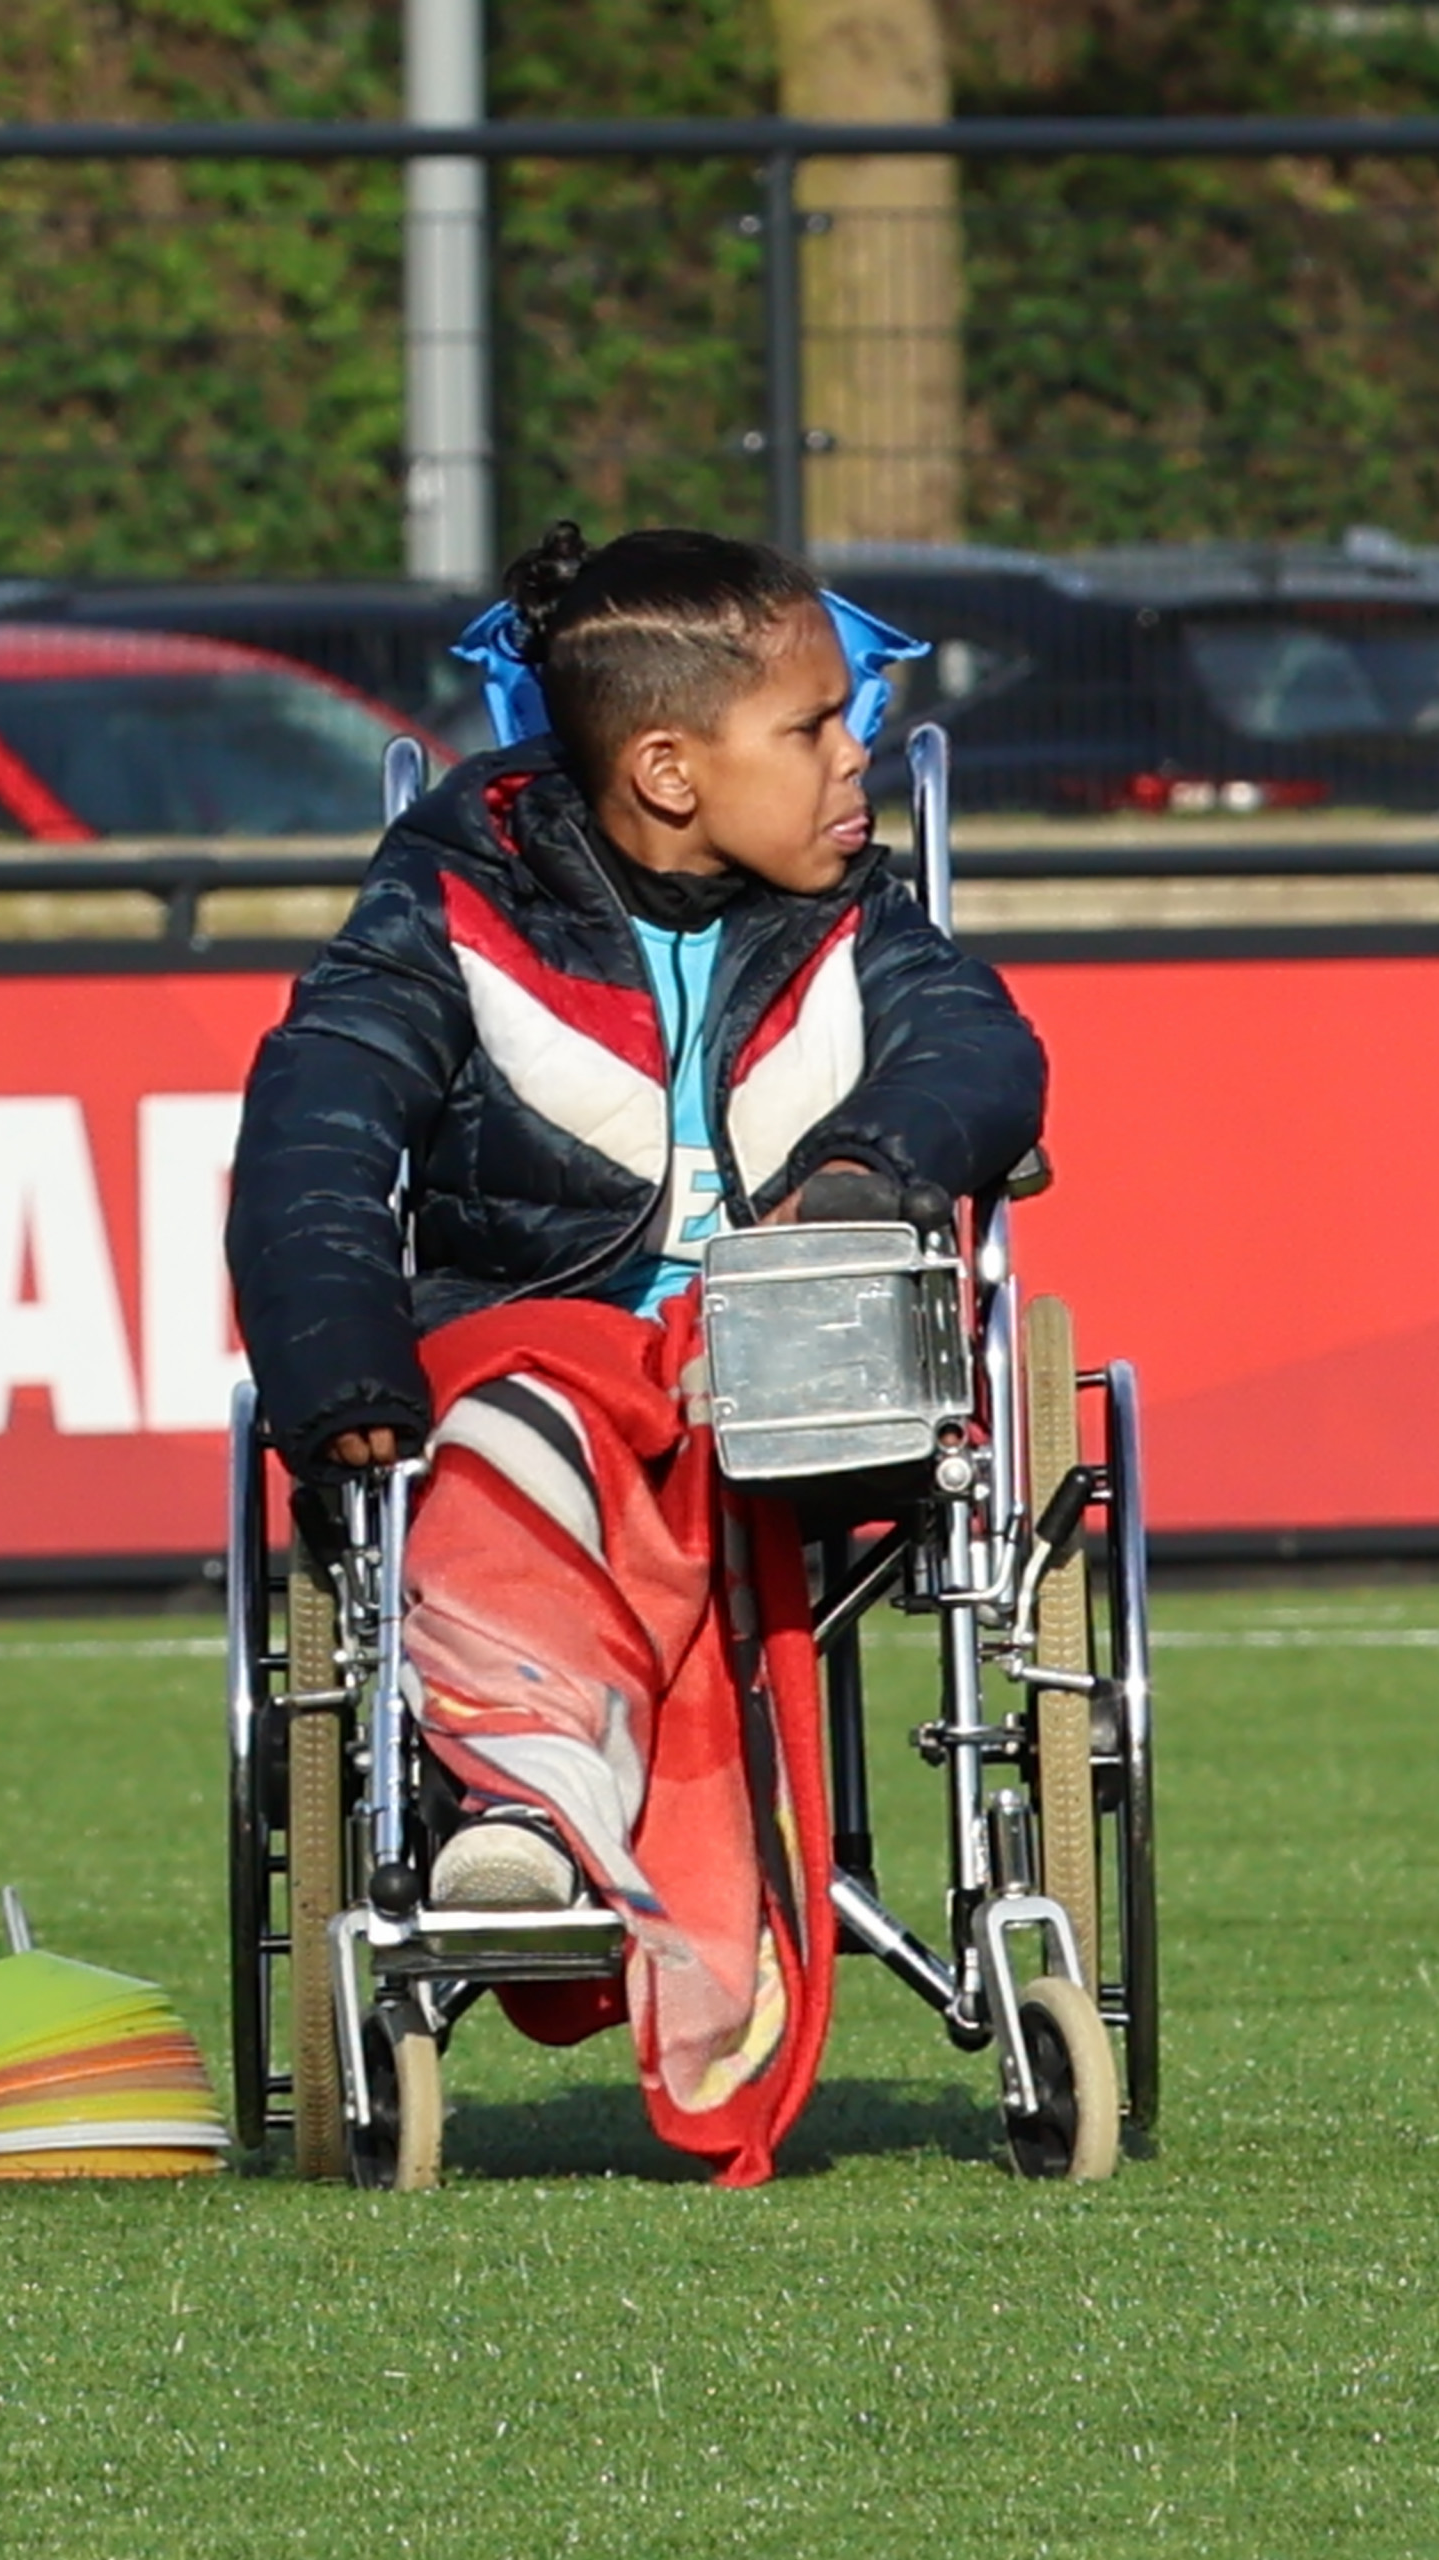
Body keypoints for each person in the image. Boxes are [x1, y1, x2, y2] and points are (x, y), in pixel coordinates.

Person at [226, 521, 1045, 2184]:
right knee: (539, 1387)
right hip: (526, 1381)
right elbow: (317, 1130)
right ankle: (532, 1805)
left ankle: (536, 1814)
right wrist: (342, 1373)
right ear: (669, 770)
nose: (855, 752)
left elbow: (976, 1049)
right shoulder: (444, 912)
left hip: (796, 1399)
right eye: (814, 727)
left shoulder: (865, 923)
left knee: (721, 1364)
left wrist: (868, 1173)